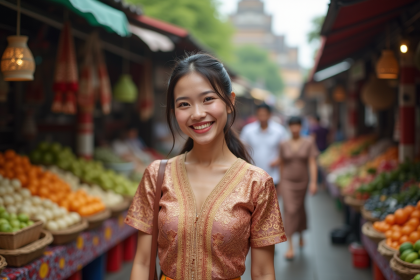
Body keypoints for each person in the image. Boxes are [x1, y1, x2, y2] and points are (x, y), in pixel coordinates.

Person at [125, 53, 286, 280]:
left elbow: (263, 273)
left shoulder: (257, 183)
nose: (197, 113)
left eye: (208, 99)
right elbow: (142, 263)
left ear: (230, 102)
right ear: (174, 111)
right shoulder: (157, 175)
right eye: (184, 104)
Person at [279, 116, 319, 260]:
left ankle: (301, 233)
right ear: (289, 127)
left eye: (297, 126)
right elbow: (281, 163)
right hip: (287, 181)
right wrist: (281, 182)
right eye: (292, 126)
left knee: (300, 208)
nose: (295, 129)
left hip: (303, 181)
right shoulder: (283, 143)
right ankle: (290, 246)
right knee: (290, 210)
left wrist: (314, 182)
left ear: (301, 127)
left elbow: (312, 162)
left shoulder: (309, 142)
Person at [240, 104, 288, 189]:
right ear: (256, 115)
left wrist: (278, 159)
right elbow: (241, 149)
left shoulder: (279, 131)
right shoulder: (248, 130)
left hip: (273, 174)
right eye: (260, 115)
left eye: (265, 114)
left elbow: (286, 150)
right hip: (252, 174)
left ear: (270, 115)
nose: (262, 117)